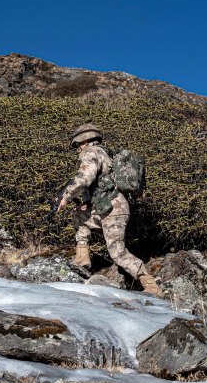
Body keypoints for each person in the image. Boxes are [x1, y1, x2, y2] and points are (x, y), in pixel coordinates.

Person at [55, 123, 163, 297]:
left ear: (84, 141)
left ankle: (150, 284)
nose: (77, 149)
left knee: (117, 252)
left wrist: (65, 197)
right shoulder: (104, 153)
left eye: (77, 145)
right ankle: (82, 259)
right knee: (80, 215)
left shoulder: (91, 153)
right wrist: (87, 203)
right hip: (106, 207)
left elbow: (84, 178)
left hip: (113, 209)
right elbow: (102, 185)